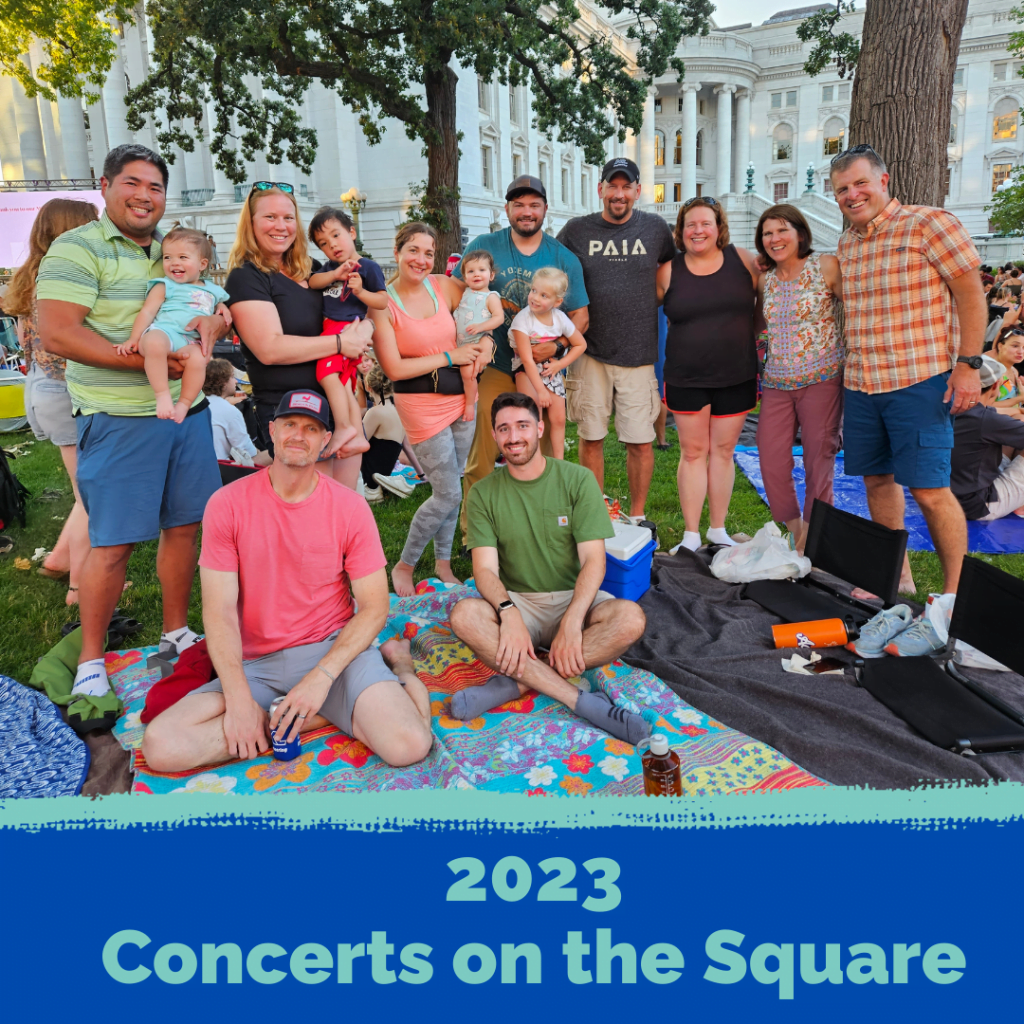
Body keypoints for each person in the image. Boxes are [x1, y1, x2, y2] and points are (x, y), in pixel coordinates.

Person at [140, 389, 433, 770]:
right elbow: (219, 610)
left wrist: (321, 678)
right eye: (291, 424)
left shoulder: (350, 507)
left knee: (409, 745)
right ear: (272, 430)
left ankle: (400, 667)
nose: (299, 435)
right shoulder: (227, 504)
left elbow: (376, 605)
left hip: (334, 654)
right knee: (163, 746)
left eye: (312, 428)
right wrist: (240, 699)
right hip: (257, 663)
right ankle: (308, 716)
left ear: (325, 441)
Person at [36, 144, 227, 692]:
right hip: (118, 416)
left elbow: (212, 308)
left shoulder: (172, 252)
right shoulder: (78, 249)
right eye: (133, 183)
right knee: (112, 542)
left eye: (155, 187)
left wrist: (216, 324)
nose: (144, 195)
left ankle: (175, 633)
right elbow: (59, 332)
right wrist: (147, 357)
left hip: (184, 413)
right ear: (104, 185)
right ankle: (92, 661)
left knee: (184, 527)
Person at [830, 144, 986, 599]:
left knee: (930, 490)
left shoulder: (929, 224)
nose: (852, 194)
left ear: (884, 180)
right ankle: (894, 578)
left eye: (860, 182)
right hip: (862, 384)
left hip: (920, 380)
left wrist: (968, 365)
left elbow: (971, 294)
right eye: (843, 188)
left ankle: (955, 596)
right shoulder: (846, 243)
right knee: (876, 482)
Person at [449, 393, 650, 744]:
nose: (514, 437)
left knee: (631, 619)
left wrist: (573, 621)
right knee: (464, 615)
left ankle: (515, 683)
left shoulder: (577, 479)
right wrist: (508, 613)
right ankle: (582, 702)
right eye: (504, 429)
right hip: (518, 603)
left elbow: (594, 561)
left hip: (576, 599)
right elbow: (484, 570)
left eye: (523, 426)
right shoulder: (482, 493)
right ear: (495, 436)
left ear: (540, 428)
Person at [454, 175, 589, 532]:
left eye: (533, 205)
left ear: (545, 209)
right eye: (518, 205)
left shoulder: (562, 257)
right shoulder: (484, 246)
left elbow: (580, 317)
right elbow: (453, 292)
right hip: (495, 363)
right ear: (507, 208)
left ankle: (544, 524)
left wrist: (557, 347)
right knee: (484, 440)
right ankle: (475, 530)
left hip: (542, 369)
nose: (526, 212)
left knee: (542, 442)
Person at [368, 222, 491, 595]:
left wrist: (488, 343)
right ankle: (404, 566)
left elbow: (479, 310)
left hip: (462, 398)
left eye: (428, 252)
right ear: (397, 251)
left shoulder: (444, 286)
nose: (421, 259)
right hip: (420, 404)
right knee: (448, 493)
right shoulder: (383, 303)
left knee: (451, 484)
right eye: (413, 250)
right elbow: (393, 369)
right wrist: (449, 355)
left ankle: (441, 562)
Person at [224, 183, 372, 490]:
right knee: (309, 513)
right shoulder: (246, 277)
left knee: (343, 507)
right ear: (251, 224)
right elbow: (270, 348)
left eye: (288, 218)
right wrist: (342, 343)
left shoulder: (315, 271)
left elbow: (363, 308)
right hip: (293, 409)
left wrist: (364, 332)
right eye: (270, 217)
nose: (281, 226)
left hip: (340, 405)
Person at [557, 157, 676, 520]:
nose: (619, 194)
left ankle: (637, 517)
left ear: (638, 191)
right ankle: (596, 514)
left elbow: (672, 275)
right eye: (613, 186)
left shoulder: (656, 229)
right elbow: (552, 270)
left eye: (627, 187)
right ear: (601, 189)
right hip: (588, 352)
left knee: (640, 442)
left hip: (639, 354)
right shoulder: (576, 231)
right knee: (591, 438)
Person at [5, 198, 99, 605]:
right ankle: (80, 586)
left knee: (88, 491)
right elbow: (63, 353)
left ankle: (60, 559)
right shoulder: (60, 279)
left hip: (44, 390)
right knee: (93, 496)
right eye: (91, 224)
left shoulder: (34, 276)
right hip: (65, 392)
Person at [656, 197, 760, 553]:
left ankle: (717, 529)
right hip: (686, 376)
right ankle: (690, 534)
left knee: (723, 451)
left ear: (719, 228)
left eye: (705, 224)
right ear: (680, 231)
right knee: (692, 452)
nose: (697, 230)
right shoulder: (669, 270)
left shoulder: (744, 261)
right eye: (690, 225)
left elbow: (768, 303)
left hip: (737, 375)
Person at [754, 204, 845, 552]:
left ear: (800, 233)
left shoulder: (825, 266)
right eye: (767, 233)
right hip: (777, 382)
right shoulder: (766, 279)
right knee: (770, 456)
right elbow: (760, 324)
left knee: (818, 460)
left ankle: (813, 537)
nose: (775, 239)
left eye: (782, 230)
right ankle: (796, 530)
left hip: (822, 378)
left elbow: (853, 308)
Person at [116, 227, 230, 422]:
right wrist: (134, 338)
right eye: (168, 257)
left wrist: (222, 309)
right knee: (154, 343)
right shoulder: (164, 285)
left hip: (189, 340)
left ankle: (184, 404)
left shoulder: (212, 289)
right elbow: (148, 311)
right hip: (164, 332)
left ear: (202, 264)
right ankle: (162, 396)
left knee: (198, 361)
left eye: (183, 257)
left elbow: (219, 305)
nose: (174, 263)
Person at [306, 207, 387, 458]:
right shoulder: (329, 268)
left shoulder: (368, 267)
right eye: (323, 243)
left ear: (351, 232)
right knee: (343, 384)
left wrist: (361, 291)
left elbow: (382, 301)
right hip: (333, 330)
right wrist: (334, 274)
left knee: (326, 375)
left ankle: (343, 427)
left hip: (346, 329)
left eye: (336, 235)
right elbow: (312, 282)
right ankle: (358, 437)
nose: (332, 245)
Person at [509, 267, 587, 459]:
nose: (535, 298)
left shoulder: (560, 318)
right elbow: (527, 360)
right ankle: (534, 460)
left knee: (559, 418)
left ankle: (558, 462)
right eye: (533, 291)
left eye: (543, 295)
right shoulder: (523, 320)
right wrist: (541, 391)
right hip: (526, 370)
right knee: (534, 412)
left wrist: (560, 366)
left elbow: (580, 344)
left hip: (550, 369)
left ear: (557, 301)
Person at [951, 355, 1024, 522]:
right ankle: (1020, 505)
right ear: (996, 385)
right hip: (978, 505)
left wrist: (1018, 411)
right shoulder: (985, 421)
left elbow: (993, 414)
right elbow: (989, 419)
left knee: (1015, 426)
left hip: (948, 499)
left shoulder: (955, 408)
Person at [452, 249, 505, 422]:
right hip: (458, 343)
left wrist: (482, 326)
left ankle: (469, 405)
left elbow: (499, 318)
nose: (477, 274)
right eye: (471, 271)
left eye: (482, 270)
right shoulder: (465, 292)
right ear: (465, 277)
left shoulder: (490, 297)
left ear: (491, 275)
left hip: (475, 343)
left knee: (468, 374)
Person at [360, 363, 414, 502]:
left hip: (368, 477)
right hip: (382, 473)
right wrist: (421, 473)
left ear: (368, 387)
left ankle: (369, 490)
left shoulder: (376, 412)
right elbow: (406, 446)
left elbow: (359, 443)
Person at [204, 358, 271, 465]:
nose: (236, 381)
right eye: (232, 377)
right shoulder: (228, 411)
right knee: (276, 453)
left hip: (196, 467)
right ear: (223, 382)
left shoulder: (196, 404)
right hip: (220, 469)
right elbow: (249, 454)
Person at [989, 330, 1024, 418]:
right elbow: (985, 406)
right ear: (1000, 346)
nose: (1021, 351)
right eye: (1015, 346)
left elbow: (1013, 402)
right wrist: (1020, 398)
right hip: (994, 421)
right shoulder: (994, 371)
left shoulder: (1014, 371)